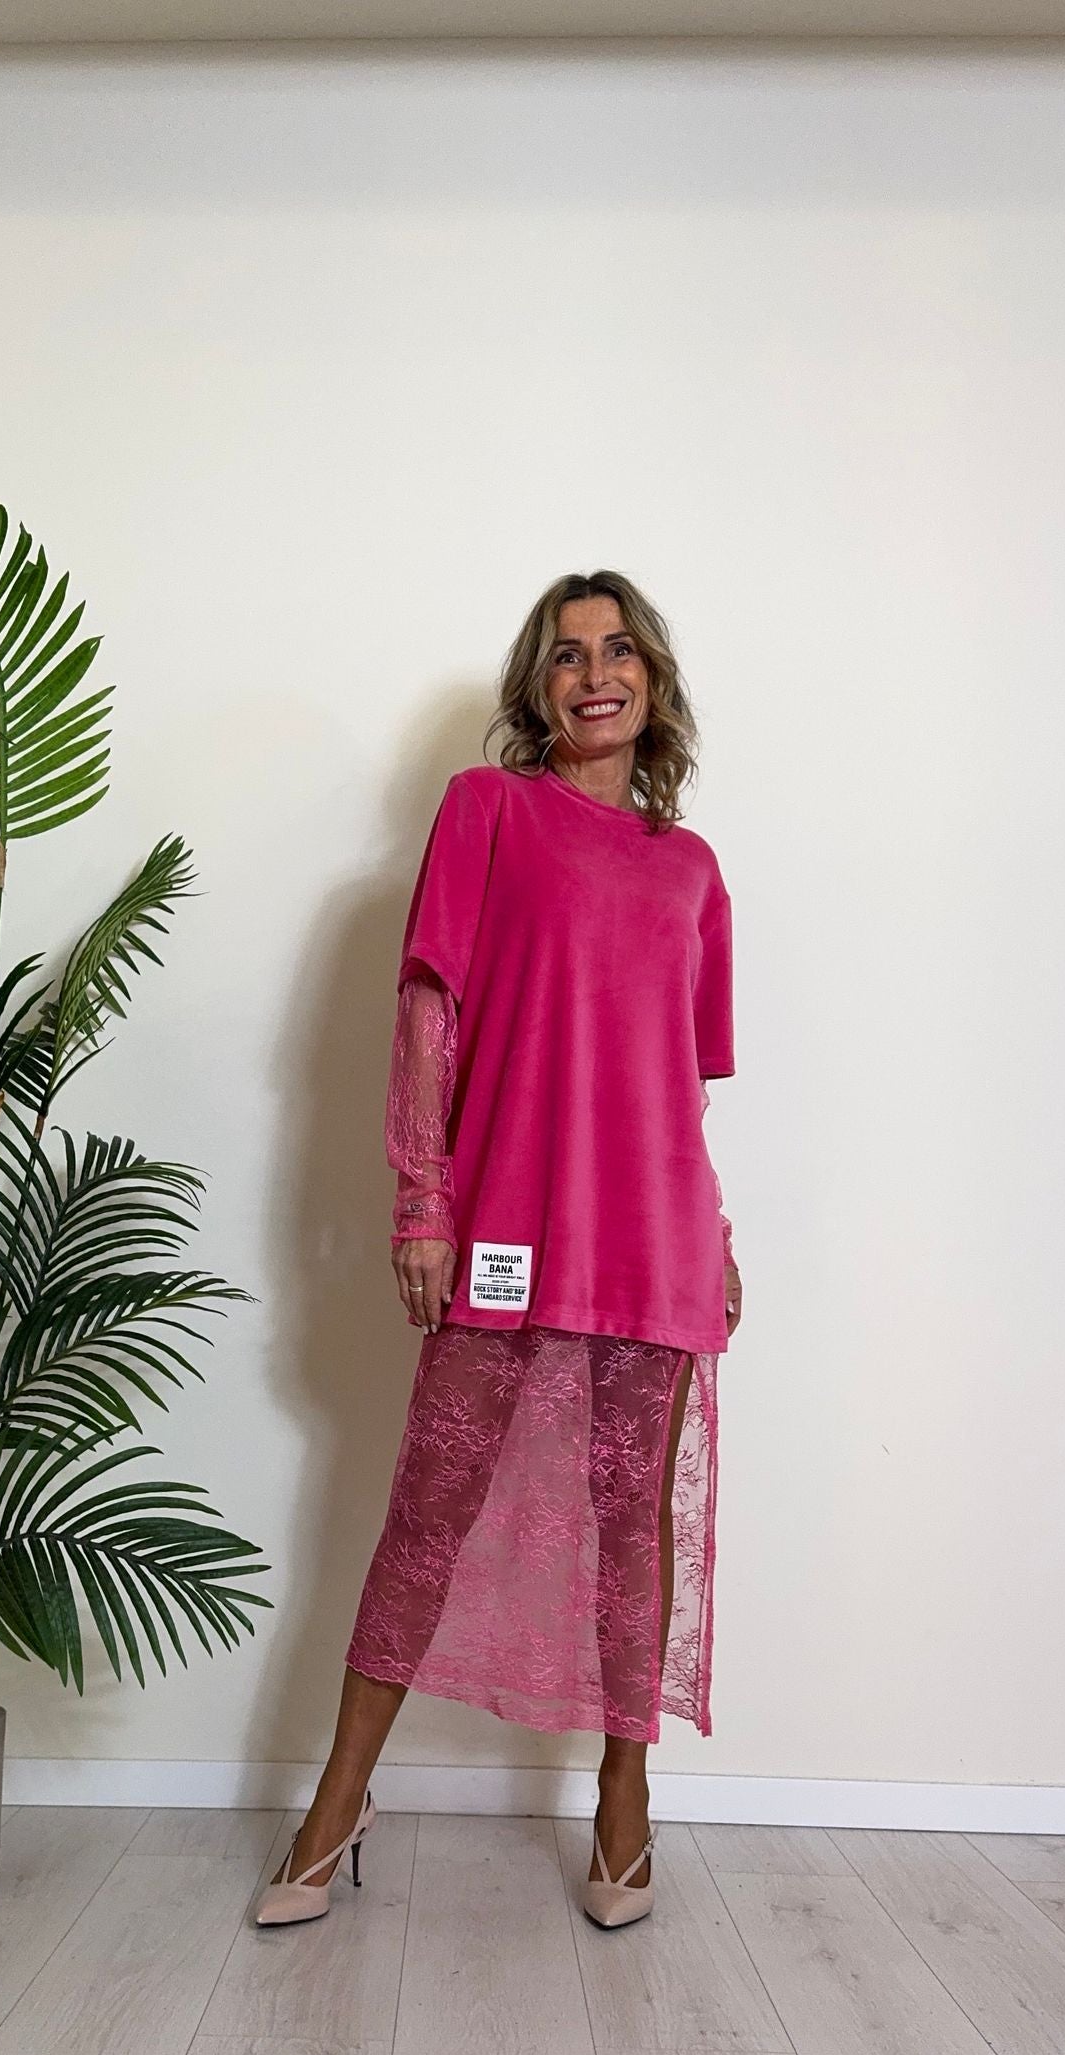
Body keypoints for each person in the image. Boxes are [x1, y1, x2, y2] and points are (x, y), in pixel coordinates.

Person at [256, 570, 742, 1931]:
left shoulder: (692, 870)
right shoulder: (490, 811)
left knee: (631, 1527)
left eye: (620, 651)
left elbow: (680, 1089)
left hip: (656, 1240)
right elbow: (431, 1012)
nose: (596, 675)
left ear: (652, 680)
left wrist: (718, 1235)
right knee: (431, 1510)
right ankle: (338, 1802)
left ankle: (625, 1803)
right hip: (510, 1226)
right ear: (538, 686)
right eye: (568, 655)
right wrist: (424, 1202)